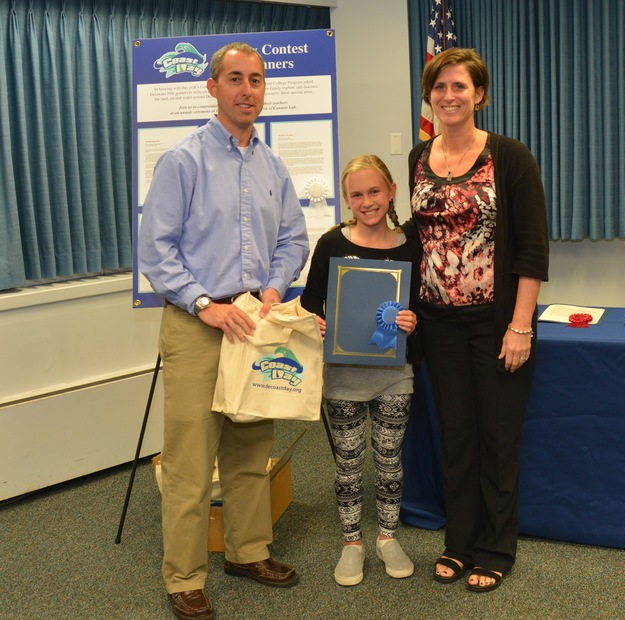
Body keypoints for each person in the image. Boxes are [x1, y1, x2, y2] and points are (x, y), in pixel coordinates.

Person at [138, 42, 309, 620]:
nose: (247, 90)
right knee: (190, 459)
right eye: (235, 79)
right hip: (197, 324)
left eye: (256, 80)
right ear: (212, 88)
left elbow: (292, 240)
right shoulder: (183, 160)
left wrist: (274, 286)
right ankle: (185, 576)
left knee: (248, 447)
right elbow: (155, 251)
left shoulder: (272, 165)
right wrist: (204, 302)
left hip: (253, 325)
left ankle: (248, 551)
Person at [406, 47, 549, 593]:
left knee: (497, 437)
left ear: (479, 95)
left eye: (460, 86)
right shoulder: (420, 157)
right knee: (456, 435)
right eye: (439, 87)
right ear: (430, 96)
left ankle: (495, 548)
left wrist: (520, 326)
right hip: (437, 325)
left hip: (494, 326)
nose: (449, 96)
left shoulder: (510, 157)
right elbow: (417, 242)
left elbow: (532, 250)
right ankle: (459, 542)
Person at [300, 155, 421, 587]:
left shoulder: (411, 244)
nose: (367, 201)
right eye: (357, 194)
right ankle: (352, 543)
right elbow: (311, 302)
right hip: (343, 379)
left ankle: (388, 537)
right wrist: (314, 321)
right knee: (348, 465)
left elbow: (420, 306)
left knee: (390, 461)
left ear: (390, 191)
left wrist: (411, 321)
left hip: (394, 374)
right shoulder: (333, 243)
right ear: (347, 200)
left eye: (374, 191)